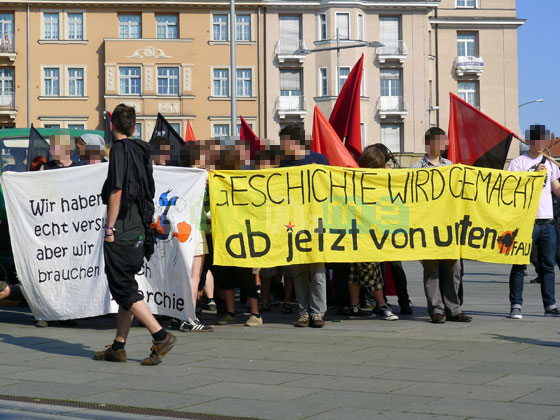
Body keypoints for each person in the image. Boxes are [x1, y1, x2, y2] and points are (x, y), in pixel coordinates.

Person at [94, 104, 176, 365]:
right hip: (139, 228)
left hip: (123, 230)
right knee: (125, 286)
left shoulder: (119, 150)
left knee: (123, 288)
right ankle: (119, 346)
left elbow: (117, 190)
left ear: (112, 125)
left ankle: (160, 335)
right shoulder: (142, 149)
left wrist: (110, 227)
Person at [411, 127, 472, 324]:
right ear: (429, 143)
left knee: (453, 268)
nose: (442, 145)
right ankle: (436, 310)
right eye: (438, 141)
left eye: (444, 141)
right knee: (431, 270)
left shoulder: (452, 167)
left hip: (448, 225)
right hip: (427, 226)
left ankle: (454, 309)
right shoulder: (416, 168)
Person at [508, 124, 560, 319]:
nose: (541, 144)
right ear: (530, 141)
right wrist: (533, 176)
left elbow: (556, 189)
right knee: (520, 264)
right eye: (537, 140)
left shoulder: (551, 163)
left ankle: (550, 305)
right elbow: (512, 190)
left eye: (544, 140)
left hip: (547, 222)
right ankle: (516, 305)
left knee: (548, 266)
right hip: (526, 222)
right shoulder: (518, 163)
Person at [279, 124, 329, 328]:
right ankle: (303, 312)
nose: (281, 146)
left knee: (317, 269)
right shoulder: (282, 167)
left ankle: (317, 313)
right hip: (292, 225)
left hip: (316, 223)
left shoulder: (319, 161)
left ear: (293, 141)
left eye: (283, 141)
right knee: (298, 270)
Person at [347, 146, 398, 320]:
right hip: (367, 233)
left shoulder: (354, 180)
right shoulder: (372, 183)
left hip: (356, 232)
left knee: (355, 272)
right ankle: (382, 305)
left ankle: (354, 306)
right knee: (372, 271)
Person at [370, 143, 413, 315]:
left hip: (386, 224)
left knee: (387, 266)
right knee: (391, 266)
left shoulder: (390, 175)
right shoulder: (390, 175)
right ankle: (399, 302)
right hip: (385, 224)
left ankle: (394, 301)